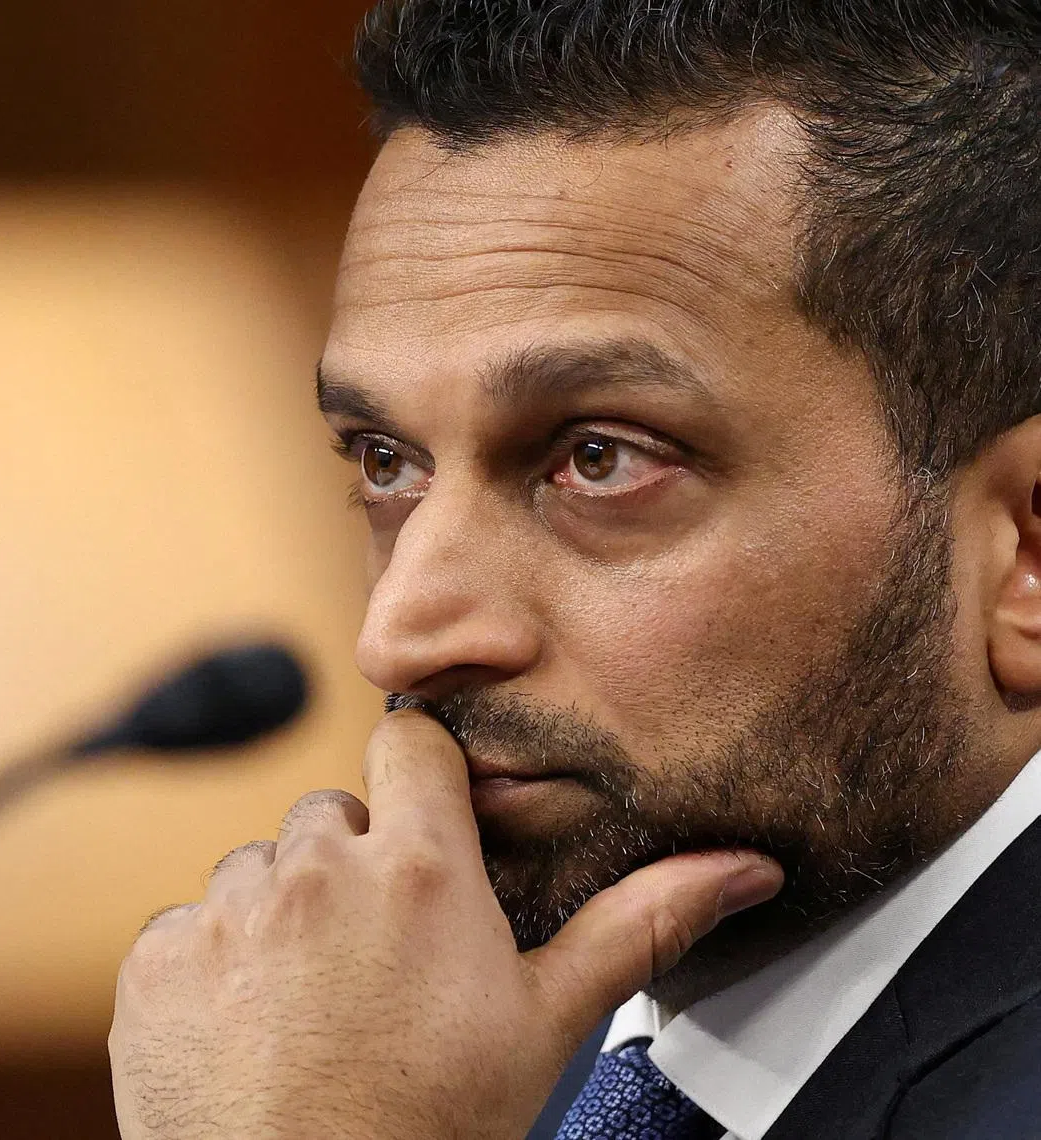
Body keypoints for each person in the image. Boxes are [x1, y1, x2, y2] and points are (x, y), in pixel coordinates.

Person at [107, 2, 1041, 1137]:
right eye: (387, 461)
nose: (399, 634)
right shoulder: (454, 1048)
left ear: (1025, 547)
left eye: (598, 460)